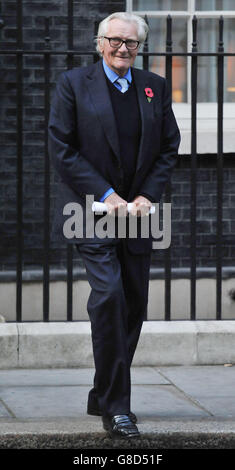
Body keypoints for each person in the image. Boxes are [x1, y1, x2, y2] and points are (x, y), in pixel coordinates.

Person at [48, 12, 180, 439]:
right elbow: (62, 148)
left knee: (135, 303)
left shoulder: (154, 87)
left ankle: (102, 394)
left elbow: (167, 148)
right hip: (90, 210)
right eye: (114, 41)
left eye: (131, 43)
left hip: (139, 214)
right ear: (99, 42)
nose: (122, 49)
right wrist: (108, 195)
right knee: (108, 297)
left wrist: (146, 197)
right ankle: (118, 409)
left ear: (140, 47)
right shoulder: (74, 83)